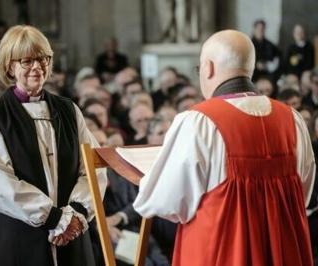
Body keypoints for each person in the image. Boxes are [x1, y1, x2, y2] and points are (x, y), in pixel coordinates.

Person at [133, 30, 315, 265]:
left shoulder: (198, 122)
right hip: (282, 252)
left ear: (208, 68)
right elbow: (304, 194)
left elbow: (163, 202)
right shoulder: (293, 119)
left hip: (221, 251)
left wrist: (145, 177)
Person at [0, 25, 107, 266]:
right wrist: (54, 218)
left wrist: (76, 212)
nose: (37, 67)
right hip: (18, 238)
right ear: (9, 66)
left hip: (71, 234)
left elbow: (93, 166)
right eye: (26, 61)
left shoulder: (68, 110)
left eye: (42, 59)